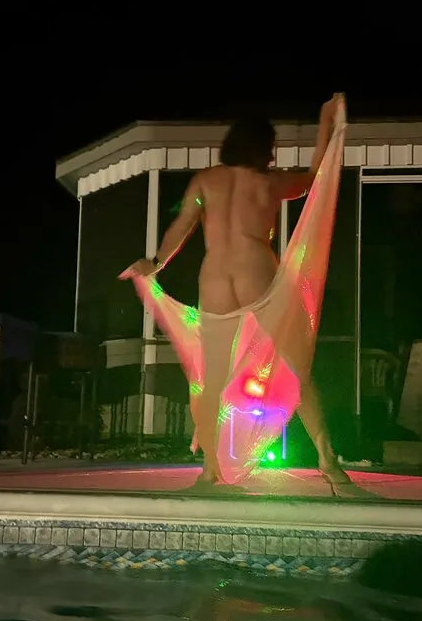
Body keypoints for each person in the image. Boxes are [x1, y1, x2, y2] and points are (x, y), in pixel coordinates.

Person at [120, 95, 353, 495]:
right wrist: (326, 123)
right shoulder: (269, 183)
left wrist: (154, 262)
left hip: (214, 279)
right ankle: (327, 458)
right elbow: (315, 177)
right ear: (262, 149)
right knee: (296, 370)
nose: (274, 154)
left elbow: (182, 225)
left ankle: (210, 467)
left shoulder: (205, 181)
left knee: (209, 381)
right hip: (255, 273)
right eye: (272, 147)